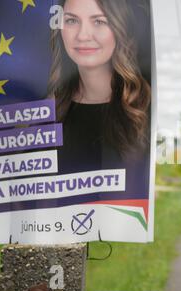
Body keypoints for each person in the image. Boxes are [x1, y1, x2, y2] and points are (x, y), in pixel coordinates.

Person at [48, 0, 151, 172]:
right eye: (72, 21)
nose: (83, 35)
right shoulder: (47, 112)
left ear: (119, 27)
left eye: (99, 21)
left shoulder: (144, 108)